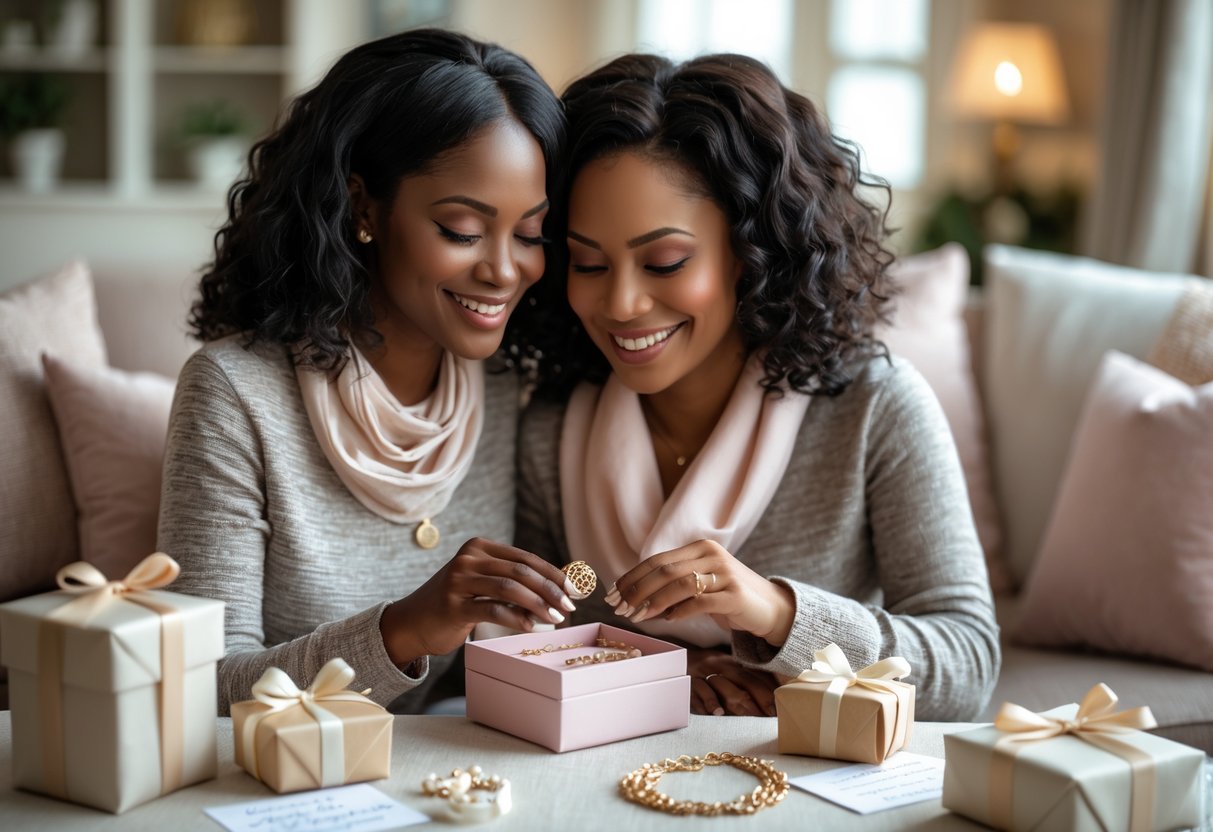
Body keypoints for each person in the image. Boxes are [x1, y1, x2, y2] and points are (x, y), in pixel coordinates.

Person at [515, 53, 1000, 721]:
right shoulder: (552, 422)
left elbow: (968, 664)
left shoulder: (873, 407)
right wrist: (670, 672)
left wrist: (775, 613)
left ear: (752, 252)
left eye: (664, 261)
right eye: (588, 263)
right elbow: (528, 640)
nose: (621, 303)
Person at [159, 29, 576, 716]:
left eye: (530, 234)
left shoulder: (507, 380)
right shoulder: (234, 392)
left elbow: (535, 634)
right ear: (363, 207)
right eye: (463, 230)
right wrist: (403, 630)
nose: (505, 270)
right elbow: (202, 688)